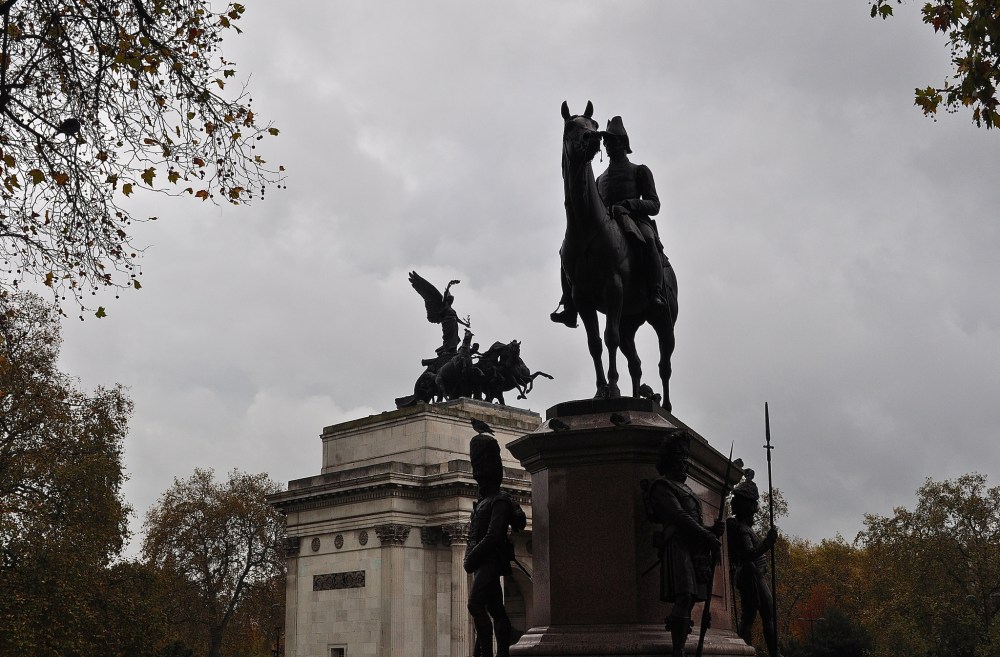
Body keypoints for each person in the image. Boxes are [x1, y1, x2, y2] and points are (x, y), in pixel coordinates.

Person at [551, 115, 669, 328]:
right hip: (607, 225)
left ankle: (655, 293)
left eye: (612, 140)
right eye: (605, 141)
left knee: (650, 240)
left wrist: (630, 205)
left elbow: (654, 204)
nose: (607, 145)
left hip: (634, 219)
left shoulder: (639, 170)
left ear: (623, 143)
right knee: (566, 251)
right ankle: (569, 303)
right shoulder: (600, 178)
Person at [644, 432, 725, 657]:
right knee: (685, 595)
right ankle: (678, 650)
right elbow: (679, 516)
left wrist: (711, 531)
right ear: (670, 461)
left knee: (690, 599)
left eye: (686, 462)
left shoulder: (688, 490)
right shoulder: (662, 487)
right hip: (677, 546)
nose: (685, 467)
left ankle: (680, 646)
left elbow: (693, 520)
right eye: (681, 461)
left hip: (693, 547)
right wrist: (706, 535)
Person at [463, 433, 524, 657]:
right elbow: (473, 534)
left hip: (490, 561)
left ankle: (490, 653)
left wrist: (471, 558)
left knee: (475, 604)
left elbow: (492, 536)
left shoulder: (500, 501)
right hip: (482, 562)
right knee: (495, 609)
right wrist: (470, 555)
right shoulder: (482, 503)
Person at [726, 469, 781, 657]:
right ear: (748, 507)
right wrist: (768, 542)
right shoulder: (742, 530)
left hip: (752, 573)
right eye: (754, 504)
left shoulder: (746, 528)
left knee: (750, 615)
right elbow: (749, 554)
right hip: (750, 573)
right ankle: (773, 653)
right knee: (766, 614)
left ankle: (748, 650)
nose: (756, 509)